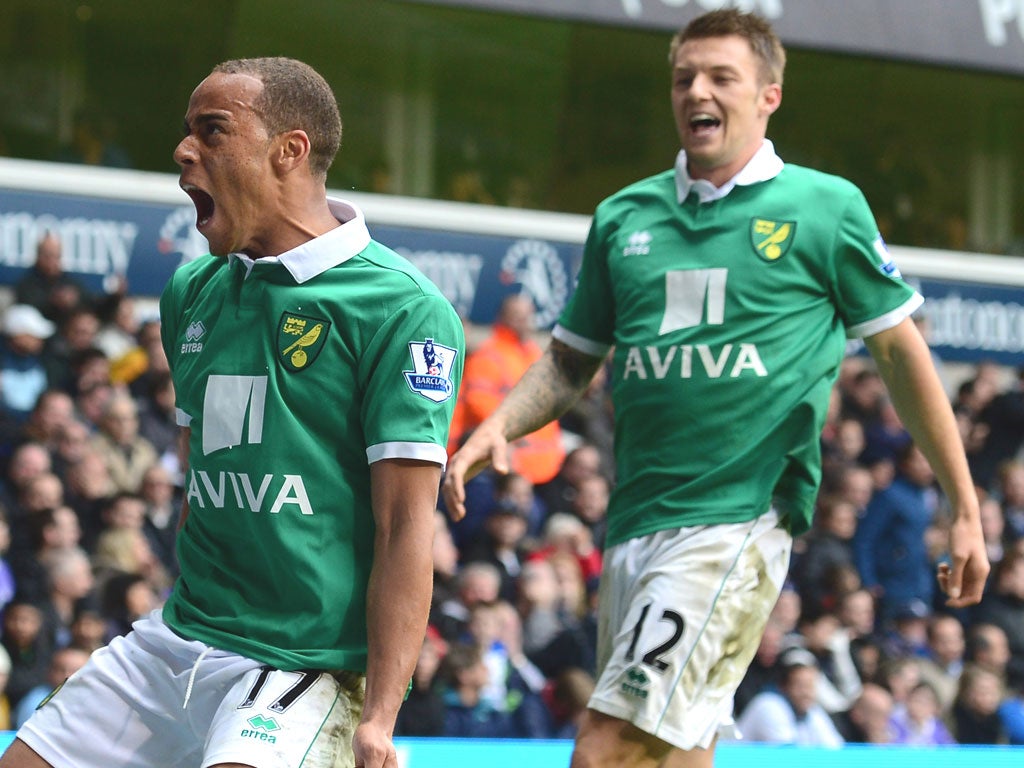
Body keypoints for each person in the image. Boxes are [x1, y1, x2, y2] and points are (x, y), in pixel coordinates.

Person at [441, 10, 988, 768]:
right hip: (634, 525)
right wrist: (501, 423)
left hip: (735, 522)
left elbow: (901, 352)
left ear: (769, 94)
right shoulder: (623, 217)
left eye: (720, 77)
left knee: (605, 749)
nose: (696, 90)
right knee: (673, 750)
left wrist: (963, 506)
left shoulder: (825, 209)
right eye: (683, 77)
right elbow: (570, 361)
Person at [1, 56, 464, 768]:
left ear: (291, 150)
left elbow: (405, 527)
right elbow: (200, 480)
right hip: (178, 638)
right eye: (186, 133)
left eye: (212, 131)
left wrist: (380, 717)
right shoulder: (191, 290)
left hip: (301, 662)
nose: (185, 152)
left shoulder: (404, 309)